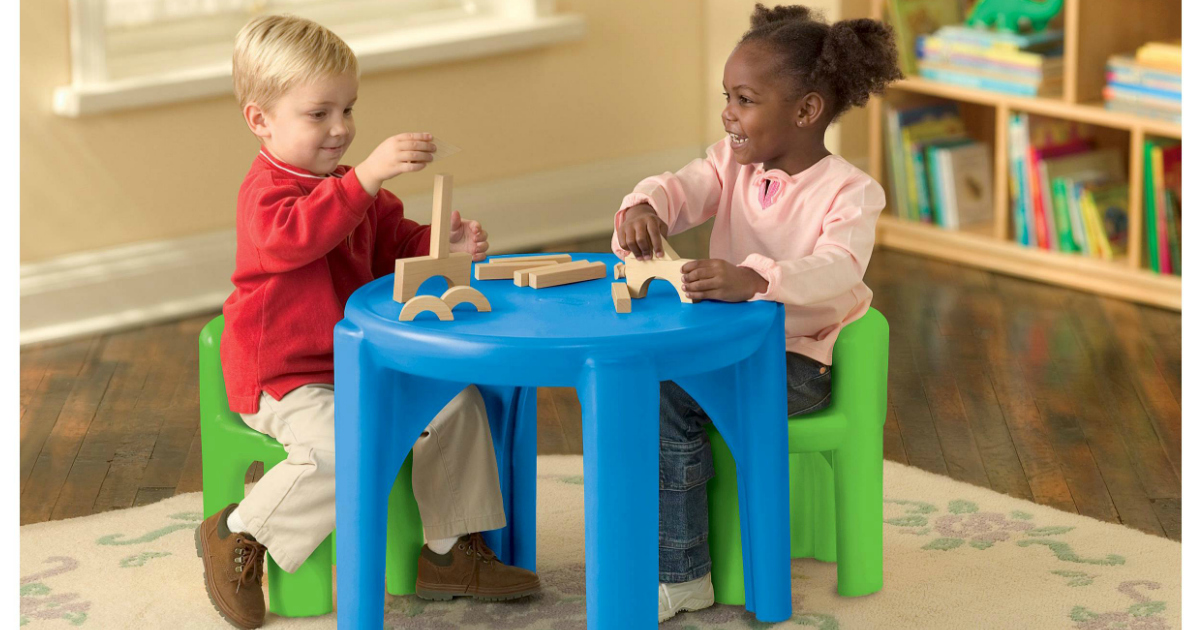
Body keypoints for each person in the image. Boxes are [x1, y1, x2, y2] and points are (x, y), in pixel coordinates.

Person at [195, 15, 540, 628]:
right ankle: (238, 531)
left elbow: (392, 250)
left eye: (348, 109)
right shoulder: (267, 193)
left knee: (457, 403)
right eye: (318, 114)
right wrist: (365, 177)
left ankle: (449, 553)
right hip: (285, 373)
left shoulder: (353, 191)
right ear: (260, 120)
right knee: (343, 446)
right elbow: (291, 242)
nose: (341, 128)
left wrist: (444, 241)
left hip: (359, 361)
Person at [611, 4, 901, 622]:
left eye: (745, 99)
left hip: (797, 363)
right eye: (727, 96)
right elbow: (680, 187)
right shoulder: (730, 163)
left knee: (673, 399)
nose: (728, 113)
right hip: (723, 349)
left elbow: (838, 267)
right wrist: (643, 206)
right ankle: (664, 549)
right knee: (646, 385)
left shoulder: (851, 192)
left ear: (805, 111)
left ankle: (682, 571)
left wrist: (756, 280)